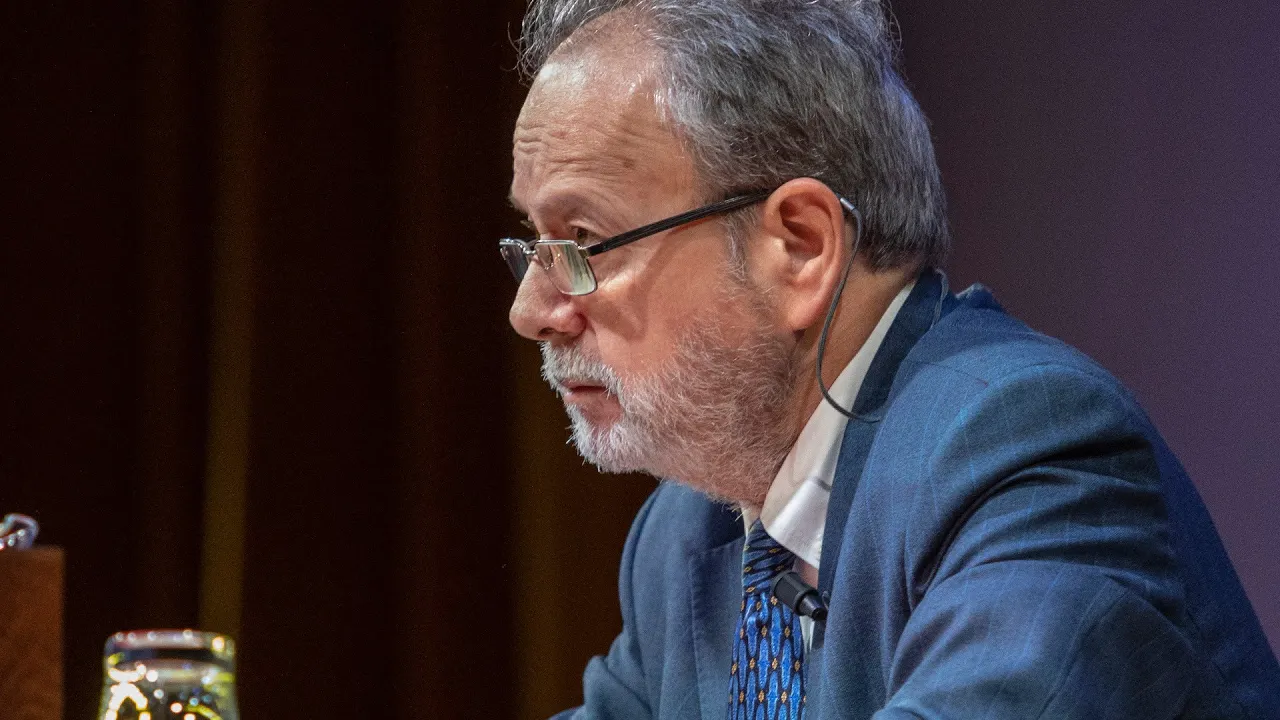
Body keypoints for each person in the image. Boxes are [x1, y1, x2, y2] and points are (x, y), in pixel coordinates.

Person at [498, 1, 1280, 718]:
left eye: (585, 242)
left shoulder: (1023, 452)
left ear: (800, 246)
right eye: (534, 245)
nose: (531, 312)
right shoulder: (685, 533)